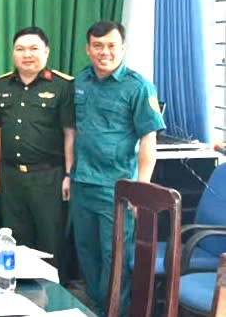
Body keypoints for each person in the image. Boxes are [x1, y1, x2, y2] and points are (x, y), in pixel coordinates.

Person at [71, 21, 164, 313]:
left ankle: (113, 312)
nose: (105, 52)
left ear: (123, 48)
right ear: (88, 49)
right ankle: (97, 307)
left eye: (112, 46)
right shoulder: (80, 82)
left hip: (117, 188)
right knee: (86, 253)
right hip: (82, 183)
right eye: (98, 46)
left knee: (115, 258)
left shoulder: (138, 87)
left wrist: (141, 190)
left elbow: (149, 141)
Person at [0, 26, 74, 269]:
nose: (27, 54)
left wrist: (69, 174)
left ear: (46, 52)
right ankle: (17, 287)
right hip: (11, 176)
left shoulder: (62, 86)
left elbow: (70, 133)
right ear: (13, 53)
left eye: (34, 48)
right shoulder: (0, 85)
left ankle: (52, 289)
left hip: (48, 177)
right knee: (15, 239)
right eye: (20, 49)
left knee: (50, 240)